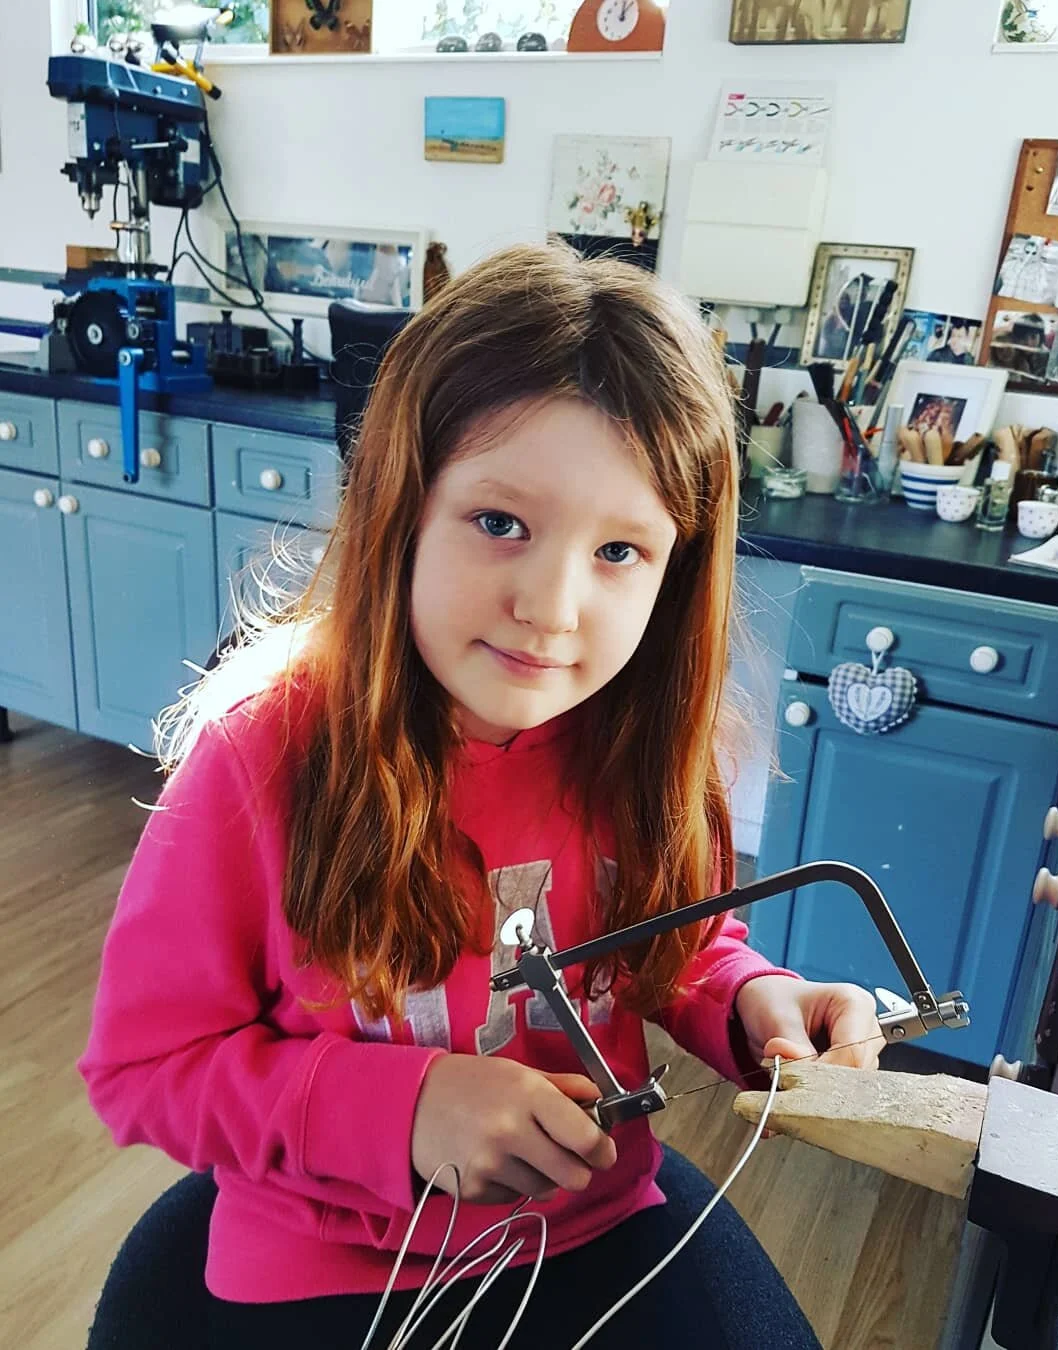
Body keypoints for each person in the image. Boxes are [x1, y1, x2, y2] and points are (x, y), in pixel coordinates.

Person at [81, 241, 882, 1350]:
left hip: (593, 1225)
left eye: (619, 551)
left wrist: (753, 1000)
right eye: (500, 523)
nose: (551, 608)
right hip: (331, 1265)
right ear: (400, 508)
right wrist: (404, 1108)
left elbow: (675, 945)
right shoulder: (260, 755)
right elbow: (145, 1072)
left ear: (677, 572)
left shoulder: (645, 749)